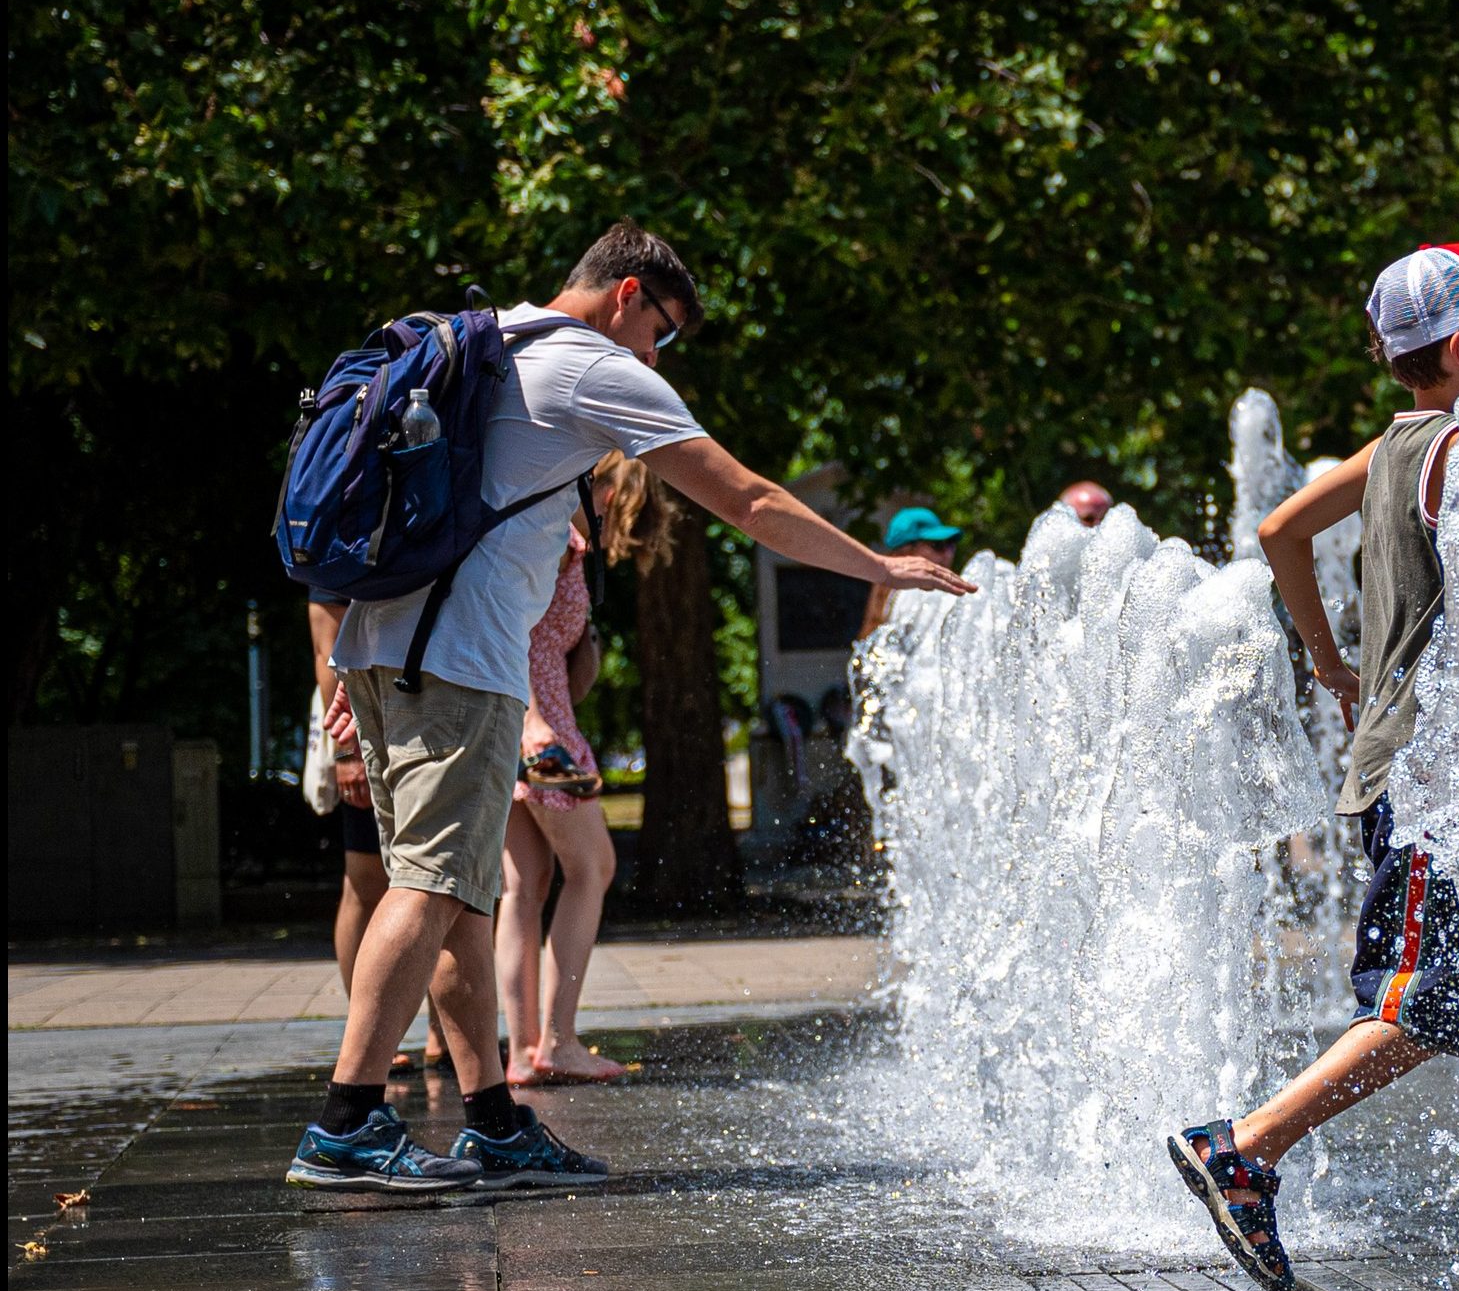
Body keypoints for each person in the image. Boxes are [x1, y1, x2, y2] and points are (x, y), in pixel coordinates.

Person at [293, 221, 973, 1193]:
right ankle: (347, 1119)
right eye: (662, 333)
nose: (658, 357)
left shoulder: (498, 336)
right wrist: (875, 567)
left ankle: (491, 1117)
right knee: (438, 888)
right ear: (627, 297)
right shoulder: (588, 364)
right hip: (459, 659)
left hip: (390, 647)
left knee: (457, 896)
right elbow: (748, 499)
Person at [1171, 243, 1459, 1291]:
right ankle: (1247, 1146)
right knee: (1421, 1003)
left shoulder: (1397, 444)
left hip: (1443, 770)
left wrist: (1329, 661)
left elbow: (1279, 529)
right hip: (1435, 779)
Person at [493, 455, 649, 1086]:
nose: (616, 515)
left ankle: (522, 1049)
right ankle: (558, 1040)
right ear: (602, 487)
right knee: (594, 868)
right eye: (618, 501)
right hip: (539, 727)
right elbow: (514, 626)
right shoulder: (559, 535)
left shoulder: (552, 533)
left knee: (524, 885)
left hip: (513, 722)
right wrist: (537, 723)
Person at [308, 595, 407, 1065]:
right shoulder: (335, 537)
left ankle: (439, 1038)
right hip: (368, 728)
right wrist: (346, 753)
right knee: (367, 885)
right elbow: (328, 648)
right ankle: (364, 1034)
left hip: (411, 716)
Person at [860, 505, 962, 639]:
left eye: (950, 544)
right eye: (937, 546)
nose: (948, 554)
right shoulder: (920, 592)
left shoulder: (888, 594)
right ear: (906, 551)